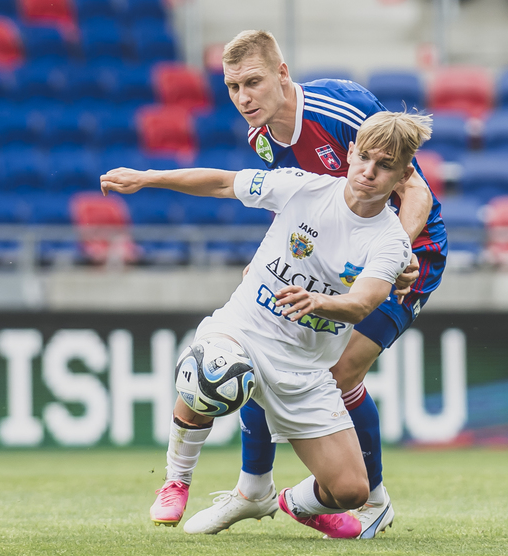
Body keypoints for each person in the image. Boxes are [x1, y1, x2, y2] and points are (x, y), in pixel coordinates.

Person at [102, 111, 434, 539]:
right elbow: (223, 183)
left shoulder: (390, 240)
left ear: (403, 175)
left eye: (385, 166)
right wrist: (148, 177)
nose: (369, 172)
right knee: (207, 368)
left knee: (352, 491)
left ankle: (295, 503)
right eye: (365, 158)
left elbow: (362, 304)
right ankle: (176, 480)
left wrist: (320, 301)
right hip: (243, 331)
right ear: (350, 153)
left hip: (305, 371)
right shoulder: (303, 187)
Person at [175, 30, 448, 537]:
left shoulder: (340, 110)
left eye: (253, 83)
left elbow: (416, 191)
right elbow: (301, 204)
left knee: (340, 373)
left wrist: (399, 254)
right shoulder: (261, 139)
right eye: (233, 87)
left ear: (281, 74)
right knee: (261, 348)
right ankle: (253, 490)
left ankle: (372, 501)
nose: (243, 98)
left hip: (409, 256)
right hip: (332, 261)